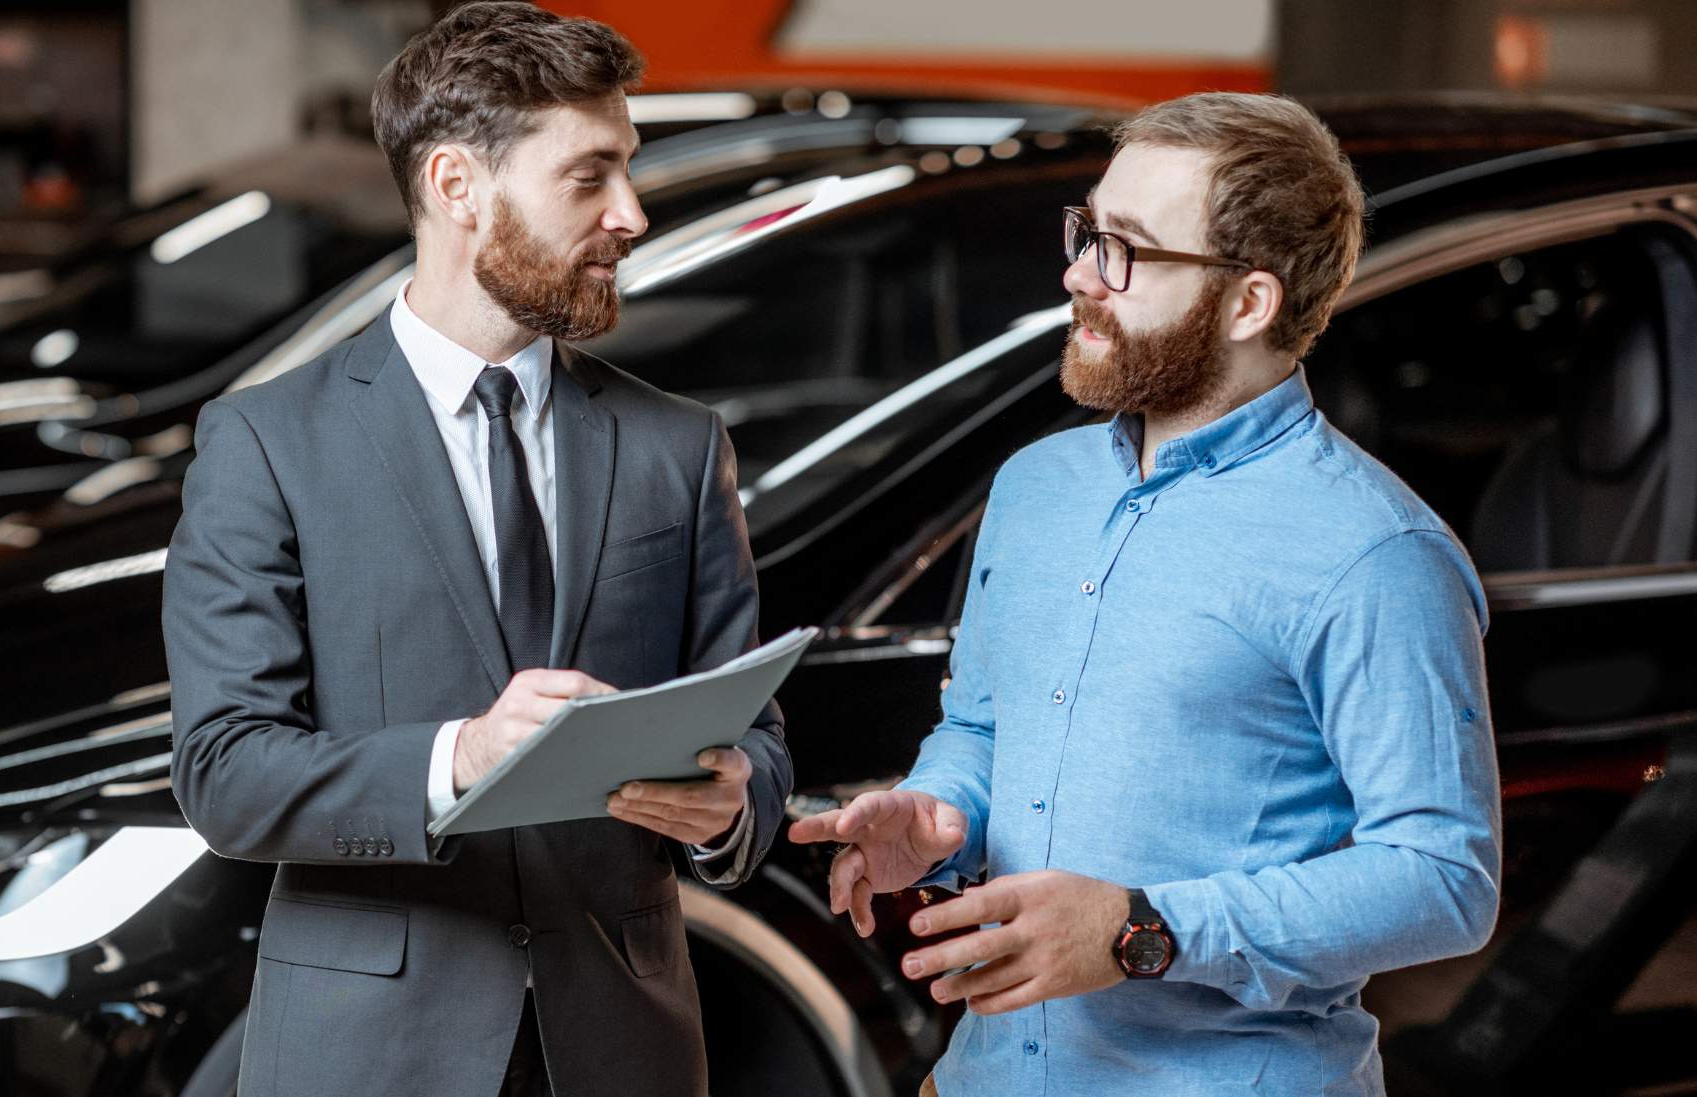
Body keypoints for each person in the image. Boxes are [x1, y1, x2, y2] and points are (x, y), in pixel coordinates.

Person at [790, 92, 1500, 1095]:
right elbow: (985, 726)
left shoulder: (1375, 551)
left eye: (1126, 250)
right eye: (1086, 232)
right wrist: (943, 808)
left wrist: (1141, 929)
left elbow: (1444, 877)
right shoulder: (1037, 486)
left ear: (1247, 303)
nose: (1079, 274)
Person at [160, 5, 791, 1096]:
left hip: (624, 1051)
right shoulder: (266, 442)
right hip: (368, 1056)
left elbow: (759, 738)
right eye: (589, 176)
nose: (632, 214)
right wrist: (459, 757)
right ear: (457, 186)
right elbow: (225, 772)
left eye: (627, 171)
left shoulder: (678, 446)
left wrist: (735, 804)